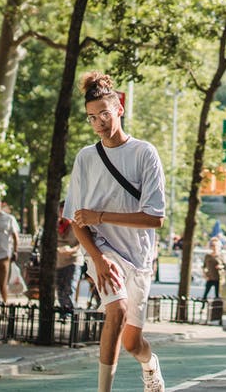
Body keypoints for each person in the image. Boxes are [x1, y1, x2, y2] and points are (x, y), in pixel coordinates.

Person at [65, 71, 167, 392]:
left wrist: (101, 214)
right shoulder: (85, 158)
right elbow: (76, 220)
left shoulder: (144, 154)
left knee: (132, 342)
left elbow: (154, 219)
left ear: (119, 108)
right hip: (102, 250)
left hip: (138, 258)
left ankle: (150, 365)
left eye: (104, 115)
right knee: (116, 308)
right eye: (91, 118)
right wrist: (96, 257)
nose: (98, 123)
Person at [55, 201, 84, 313]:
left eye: (65, 210)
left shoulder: (76, 223)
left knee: (69, 287)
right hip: (59, 261)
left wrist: (71, 250)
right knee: (60, 290)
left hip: (74, 260)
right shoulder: (57, 225)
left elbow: (82, 242)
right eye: (61, 210)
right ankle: (64, 312)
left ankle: (70, 313)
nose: (63, 213)